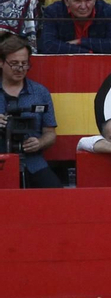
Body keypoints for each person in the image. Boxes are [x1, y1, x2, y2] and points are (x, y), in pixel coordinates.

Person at [0, 35, 59, 187]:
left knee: (57, 193)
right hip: (1, 160)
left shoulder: (40, 92)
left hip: (32, 161)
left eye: (24, 64)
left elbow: (50, 133)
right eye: (14, 64)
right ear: (1, 62)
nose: (20, 69)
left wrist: (39, 143)